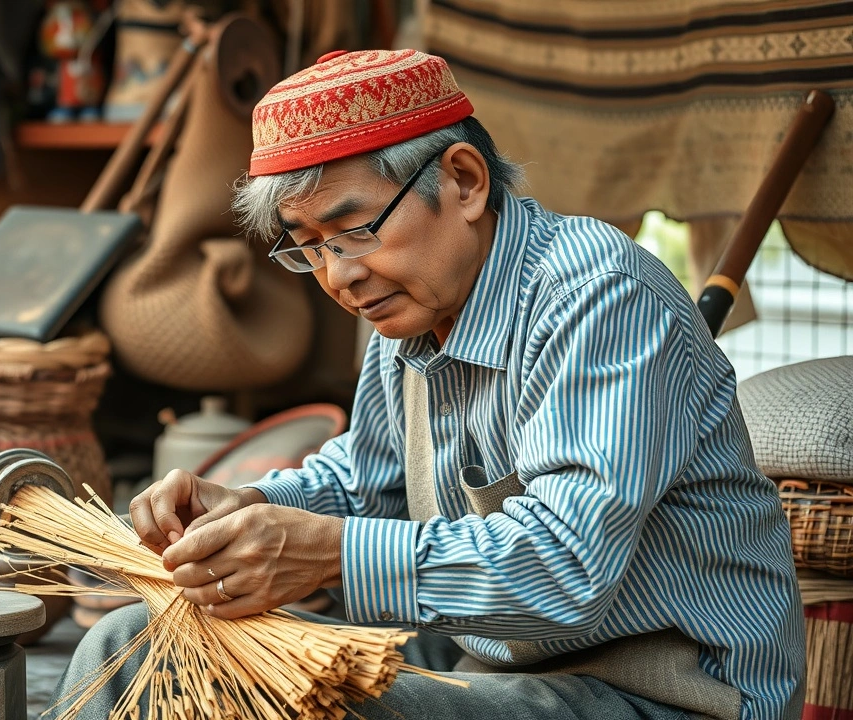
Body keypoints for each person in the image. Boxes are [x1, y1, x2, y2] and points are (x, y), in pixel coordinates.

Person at [52, 49, 803, 720]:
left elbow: (568, 566)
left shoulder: (597, 294)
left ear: (465, 182)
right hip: (496, 664)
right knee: (134, 639)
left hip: (663, 691)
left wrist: (326, 553)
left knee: (189, 672)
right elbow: (365, 481)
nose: (340, 276)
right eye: (310, 248)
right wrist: (253, 507)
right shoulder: (409, 308)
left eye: (355, 231)